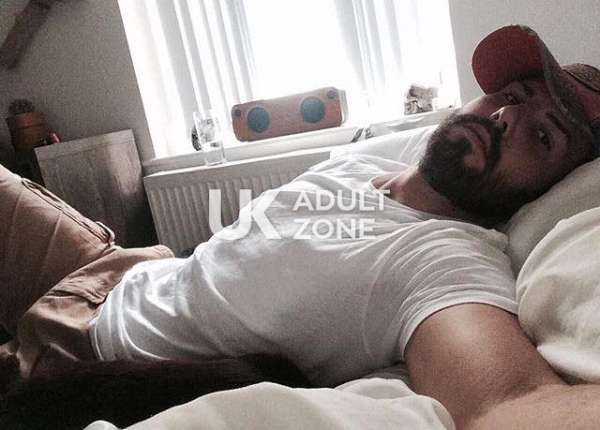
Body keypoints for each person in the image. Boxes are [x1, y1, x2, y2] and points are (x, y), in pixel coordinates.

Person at [2, 24, 600, 427]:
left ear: (550, 186)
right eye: (512, 94)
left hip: (84, 347)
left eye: (543, 135)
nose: (504, 117)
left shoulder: (441, 262)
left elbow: (508, 403)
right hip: (123, 266)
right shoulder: (391, 158)